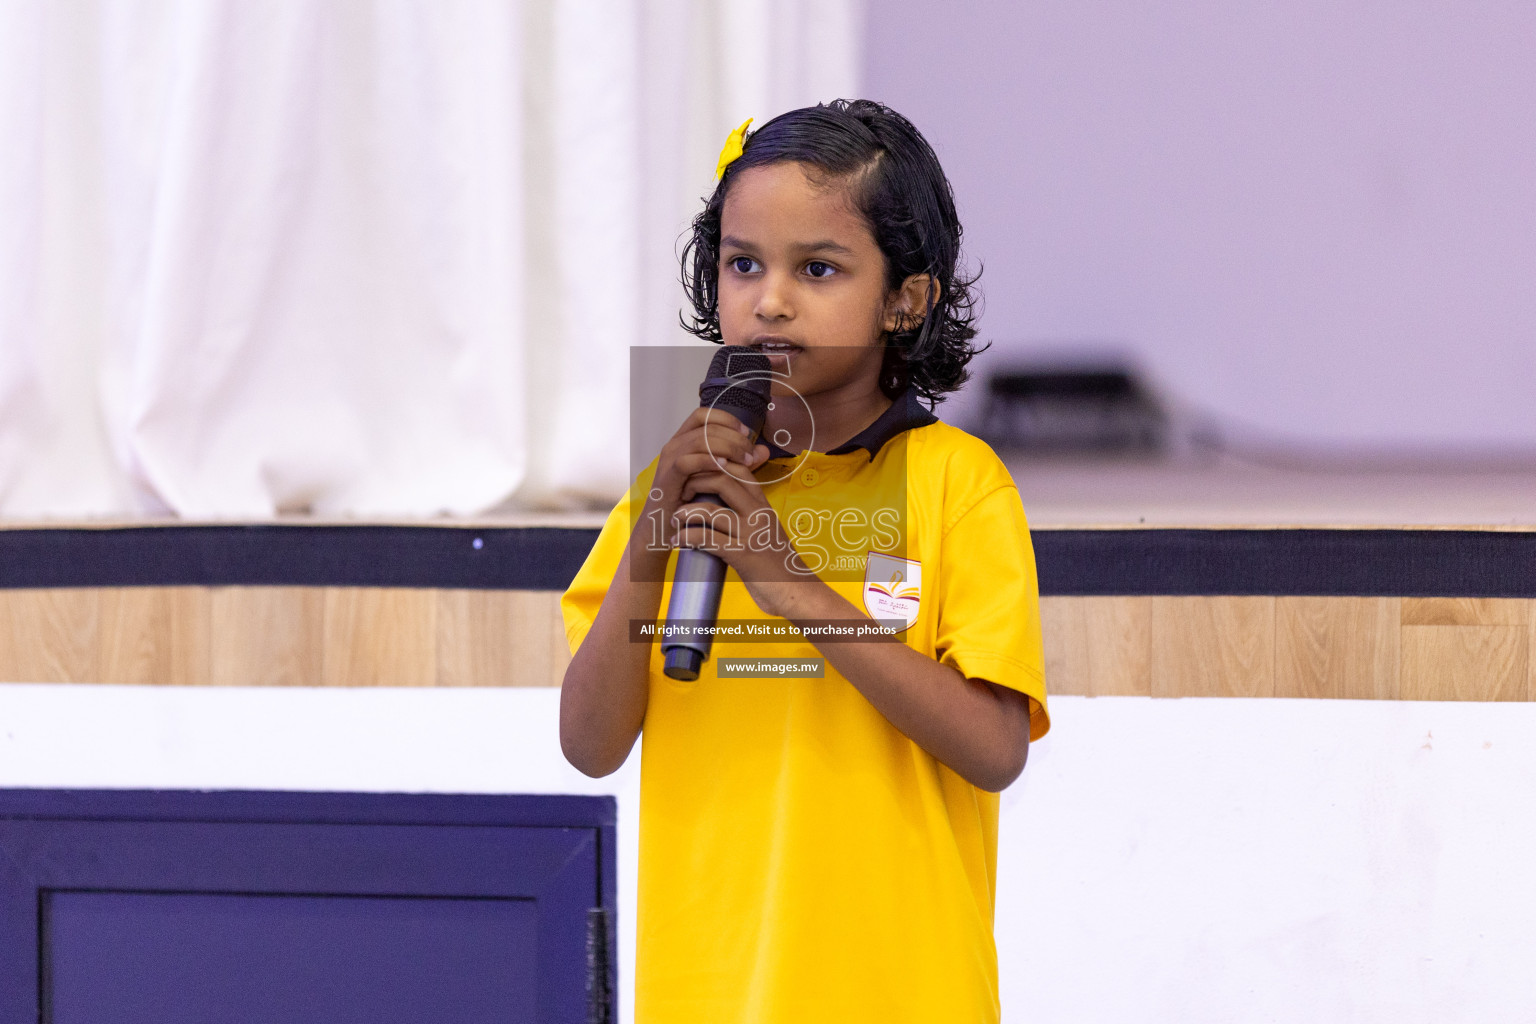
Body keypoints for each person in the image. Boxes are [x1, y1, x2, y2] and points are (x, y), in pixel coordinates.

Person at [559, 99, 1049, 1024]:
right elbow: (590, 745)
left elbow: (993, 750)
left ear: (906, 298)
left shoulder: (957, 485)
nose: (770, 298)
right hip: (708, 993)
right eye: (743, 264)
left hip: (898, 997)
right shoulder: (674, 483)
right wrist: (659, 529)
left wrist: (791, 585)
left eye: (817, 268)